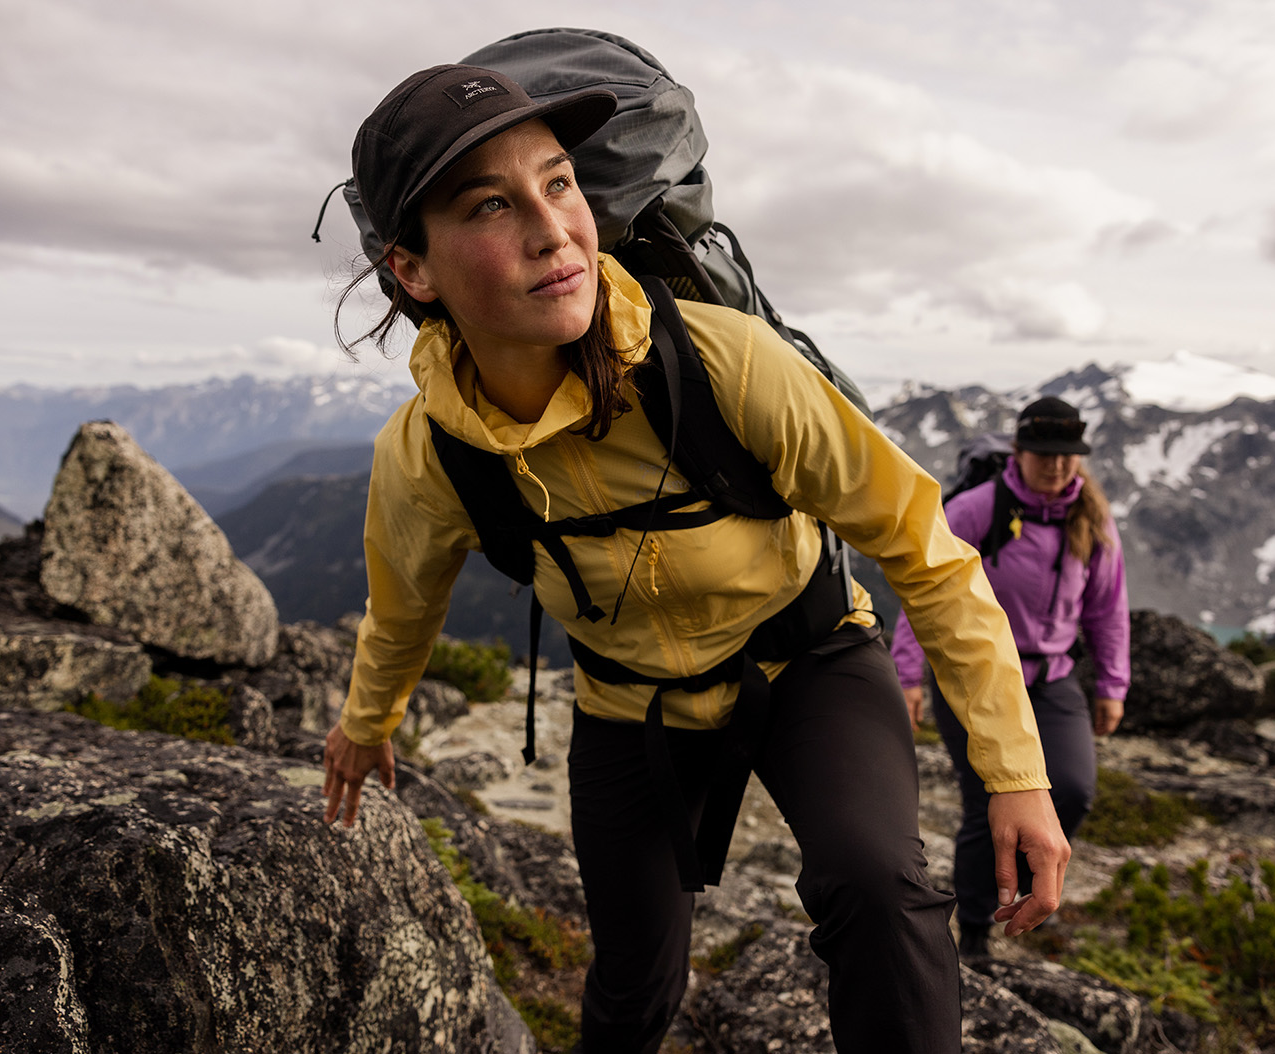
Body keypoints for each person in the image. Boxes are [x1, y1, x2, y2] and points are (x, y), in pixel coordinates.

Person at [320, 62, 1070, 1054]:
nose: (553, 231)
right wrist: (366, 721)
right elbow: (405, 601)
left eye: (558, 182)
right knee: (634, 983)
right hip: (631, 707)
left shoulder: (725, 363)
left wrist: (1015, 774)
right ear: (412, 269)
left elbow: (924, 551)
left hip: (808, 663)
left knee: (878, 889)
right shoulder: (428, 457)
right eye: (492, 205)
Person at [890, 396, 1129, 959]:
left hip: (1052, 677)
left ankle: (1018, 876)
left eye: (1067, 455)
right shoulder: (976, 509)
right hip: (975, 680)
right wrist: (909, 673)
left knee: (1070, 788)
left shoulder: (1089, 517)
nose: (1056, 465)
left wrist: (1112, 685)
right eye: (1044, 453)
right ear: (1018, 453)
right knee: (987, 802)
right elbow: (923, 588)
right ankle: (973, 929)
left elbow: (1107, 607)